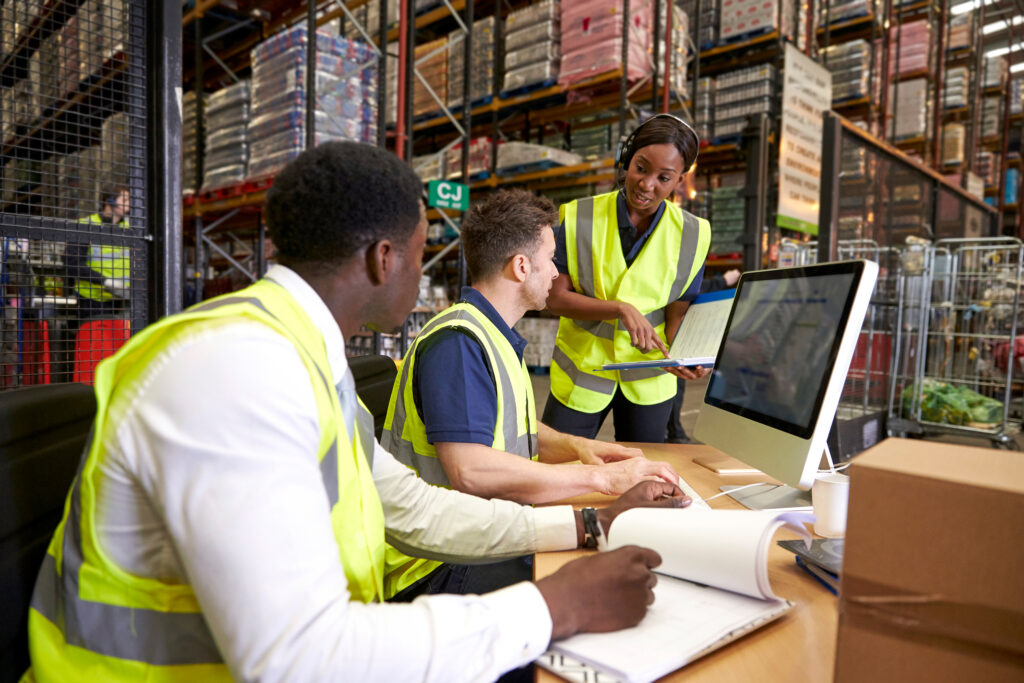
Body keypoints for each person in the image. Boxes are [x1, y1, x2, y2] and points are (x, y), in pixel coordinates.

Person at [23, 142, 690, 682]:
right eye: (423, 250)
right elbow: (297, 658)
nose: (428, 270)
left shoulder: (305, 351)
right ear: (383, 258)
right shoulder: (236, 367)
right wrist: (555, 605)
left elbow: (411, 507)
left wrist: (586, 524)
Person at [381, 188, 681, 599]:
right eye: (550, 259)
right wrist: (601, 479)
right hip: (438, 565)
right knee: (617, 574)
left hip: (478, 538)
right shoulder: (458, 343)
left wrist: (580, 448)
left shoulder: (490, 334)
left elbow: (512, 428)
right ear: (521, 267)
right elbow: (472, 470)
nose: (557, 273)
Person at [543, 114, 713, 442]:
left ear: (679, 181)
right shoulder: (578, 216)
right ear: (626, 160)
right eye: (640, 168)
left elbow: (676, 315)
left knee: (643, 475)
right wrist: (619, 308)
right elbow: (555, 299)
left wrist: (686, 356)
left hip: (649, 378)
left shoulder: (694, 234)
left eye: (664, 177)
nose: (647, 184)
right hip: (583, 370)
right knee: (556, 464)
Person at [665, 267, 741, 444]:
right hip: (667, 341)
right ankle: (675, 432)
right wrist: (722, 281)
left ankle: (675, 430)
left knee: (676, 385)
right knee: (675, 385)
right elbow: (690, 288)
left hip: (674, 339)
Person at [66, 185, 131, 320]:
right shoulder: (85, 226)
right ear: (110, 201)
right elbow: (71, 264)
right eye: (124, 200)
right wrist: (105, 281)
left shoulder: (131, 228)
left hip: (125, 301)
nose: (129, 204)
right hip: (93, 302)